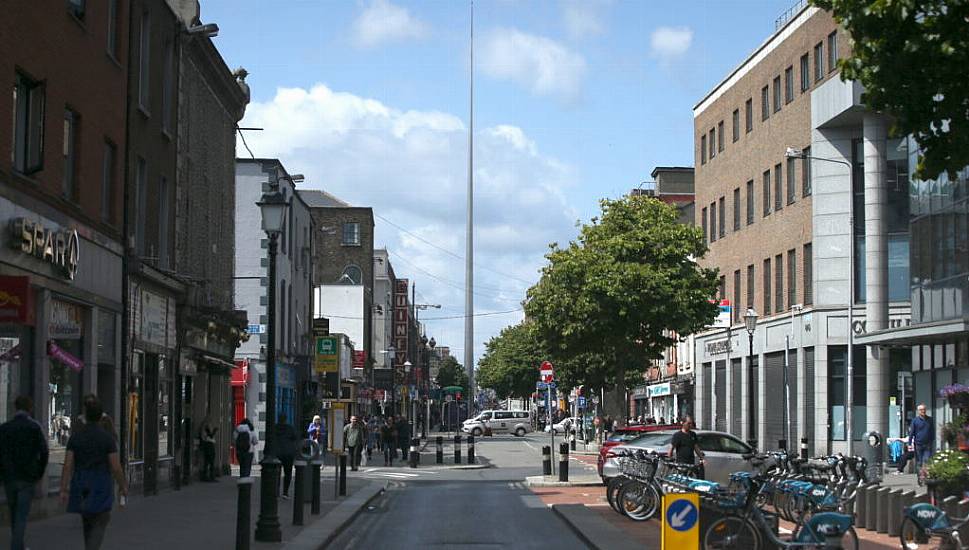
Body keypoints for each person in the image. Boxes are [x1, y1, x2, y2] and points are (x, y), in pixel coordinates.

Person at [60, 396, 127, 550]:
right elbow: (116, 467)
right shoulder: (107, 438)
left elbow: (68, 464)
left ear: (86, 416)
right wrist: (123, 485)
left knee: (87, 519)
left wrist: (63, 488)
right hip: (101, 483)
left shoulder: (76, 437)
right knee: (101, 518)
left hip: (81, 482)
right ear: (100, 416)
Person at [0, 395, 49, 550]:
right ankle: (16, 547)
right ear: (30, 408)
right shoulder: (34, 427)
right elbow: (44, 452)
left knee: (14, 513)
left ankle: (18, 545)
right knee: (21, 515)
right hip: (27, 478)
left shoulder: (5, 428)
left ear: (15, 407)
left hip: (10, 478)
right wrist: (39, 473)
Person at [899, 403, 934, 475]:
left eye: (924, 409)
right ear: (918, 411)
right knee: (919, 462)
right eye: (921, 410)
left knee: (927, 460)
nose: (923, 411)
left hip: (927, 444)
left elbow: (932, 431)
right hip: (918, 444)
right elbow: (911, 433)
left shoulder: (930, 420)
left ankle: (926, 476)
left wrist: (932, 441)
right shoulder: (915, 420)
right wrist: (909, 444)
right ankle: (920, 478)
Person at [275, 415, 299, 498]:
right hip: (288, 453)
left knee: (276, 473)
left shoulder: (275, 428)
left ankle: (276, 491)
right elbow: (295, 437)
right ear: (285, 419)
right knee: (288, 473)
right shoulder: (290, 428)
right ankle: (285, 492)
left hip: (277, 452)